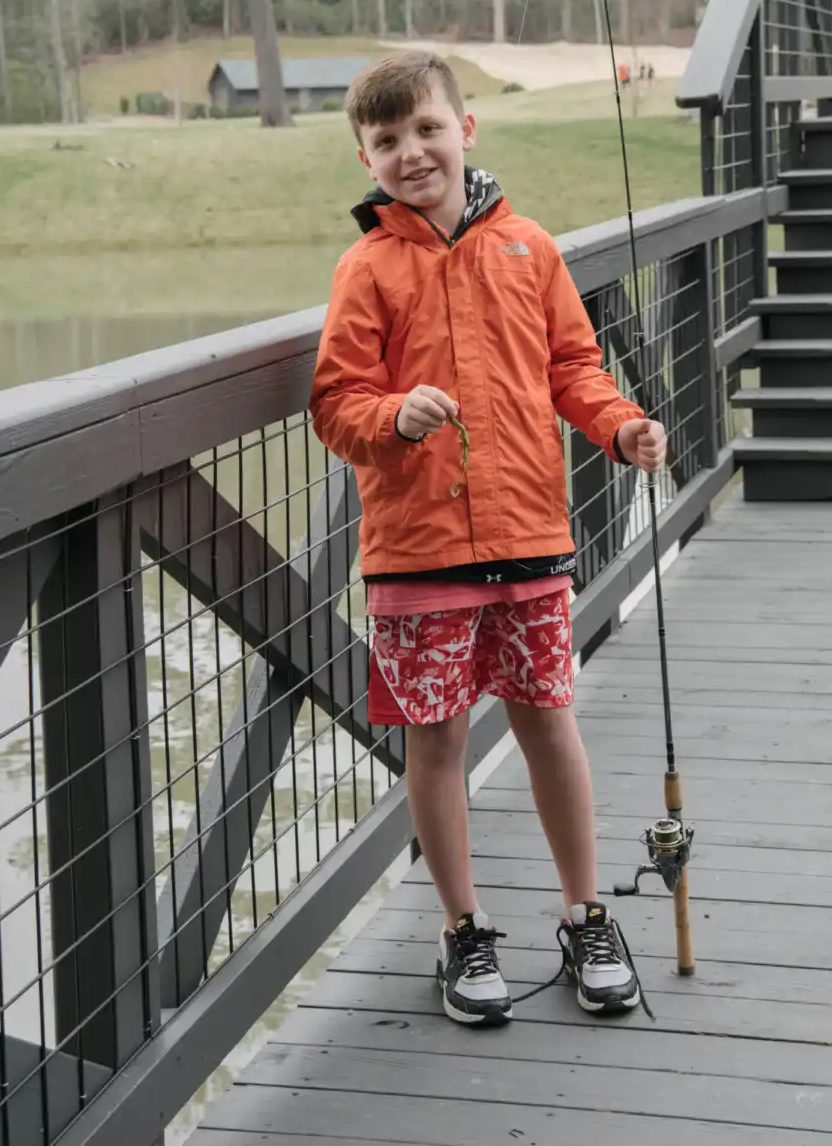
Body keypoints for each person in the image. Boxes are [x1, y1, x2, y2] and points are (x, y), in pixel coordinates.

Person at [311, 51, 667, 1027]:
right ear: (364, 157)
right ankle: (462, 931)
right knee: (436, 742)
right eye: (386, 141)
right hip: (415, 556)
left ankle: (584, 914)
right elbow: (335, 405)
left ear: (465, 130)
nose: (410, 151)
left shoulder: (530, 249)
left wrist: (620, 425)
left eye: (426, 129)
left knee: (549, 719)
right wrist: (393, 418)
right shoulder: (364, 267)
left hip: (529, 542)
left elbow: (574, 369)